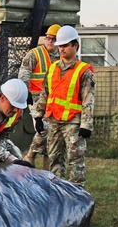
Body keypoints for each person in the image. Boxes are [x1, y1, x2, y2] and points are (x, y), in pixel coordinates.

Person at [33, 26, 95, 186]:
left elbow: (88, 98)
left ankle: (77, 195)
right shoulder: (53, 68)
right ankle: (57, 194)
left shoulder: (84, 71)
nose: (62, 49)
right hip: (53, 121)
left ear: (76, 46)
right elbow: (45, 94)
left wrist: (86, 124)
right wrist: (39, 115)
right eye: (60, 46)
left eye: (65, 45)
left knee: (75, 160)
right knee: (54, 159)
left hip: (73, 122)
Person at [20, 24, 61, 166]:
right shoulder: (34, 54)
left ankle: (45, 170)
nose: (50, 41)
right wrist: (26, 92)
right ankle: (30, 155)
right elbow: (24, 73)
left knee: (51, 138)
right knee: (44, 129)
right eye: (48, 38)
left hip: (55, 100)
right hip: (37, 98)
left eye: (54, 39)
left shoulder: (62, 56)